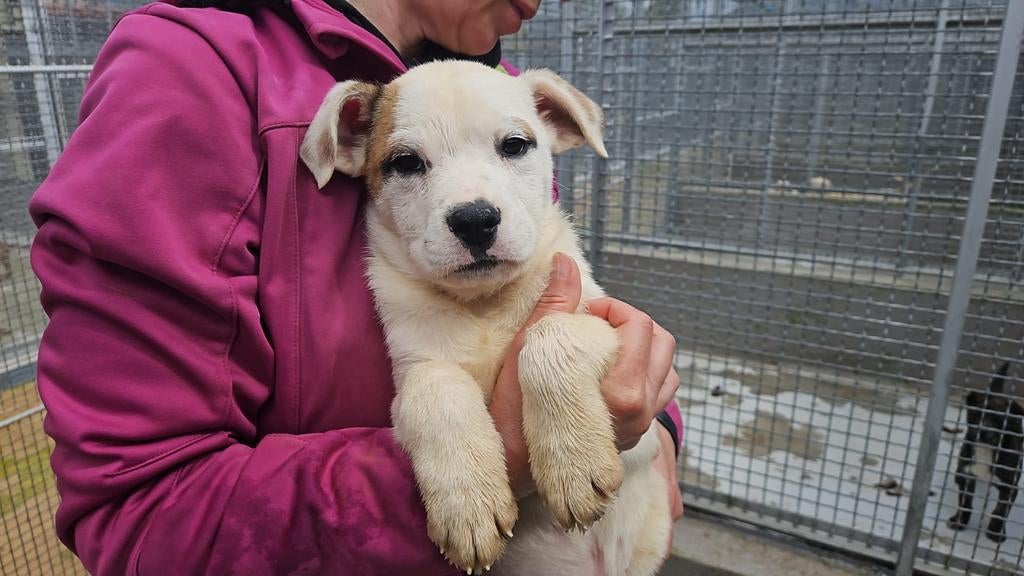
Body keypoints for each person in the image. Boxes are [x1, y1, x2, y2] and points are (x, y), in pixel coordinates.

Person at [28, 1, 684, 574]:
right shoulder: (196, 73)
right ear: (350, 149)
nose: (475, 204)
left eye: (513, 147)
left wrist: (654, 416)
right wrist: (498, 451)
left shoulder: (490, 85)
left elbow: (578, 308)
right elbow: (143, 511)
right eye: (407, 163)